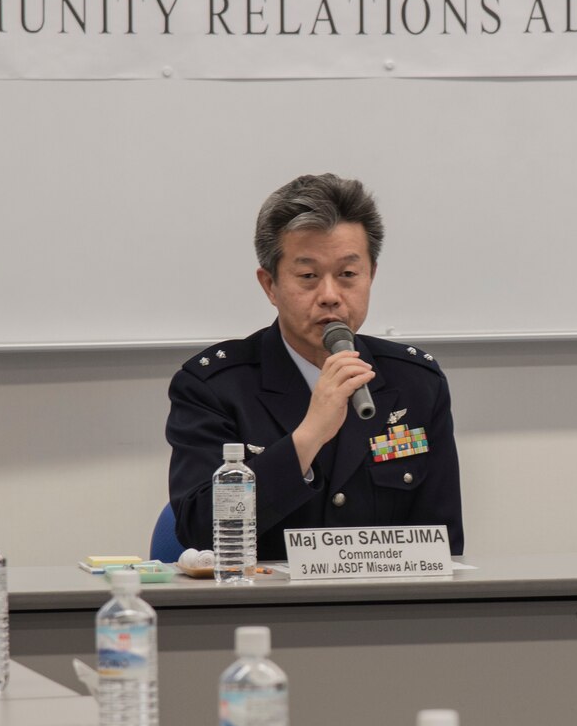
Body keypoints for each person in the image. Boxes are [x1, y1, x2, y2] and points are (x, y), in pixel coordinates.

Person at [166, 173, 463, 561]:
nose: (330, 296)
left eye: (348, 275)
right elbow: (201, 532)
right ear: (269, 284)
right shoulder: (213, 387)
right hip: (266, 612)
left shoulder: (416, 383)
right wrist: (306, 438)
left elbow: (443, 547)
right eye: (308, 276)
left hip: (383, 612)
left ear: (371, 275)